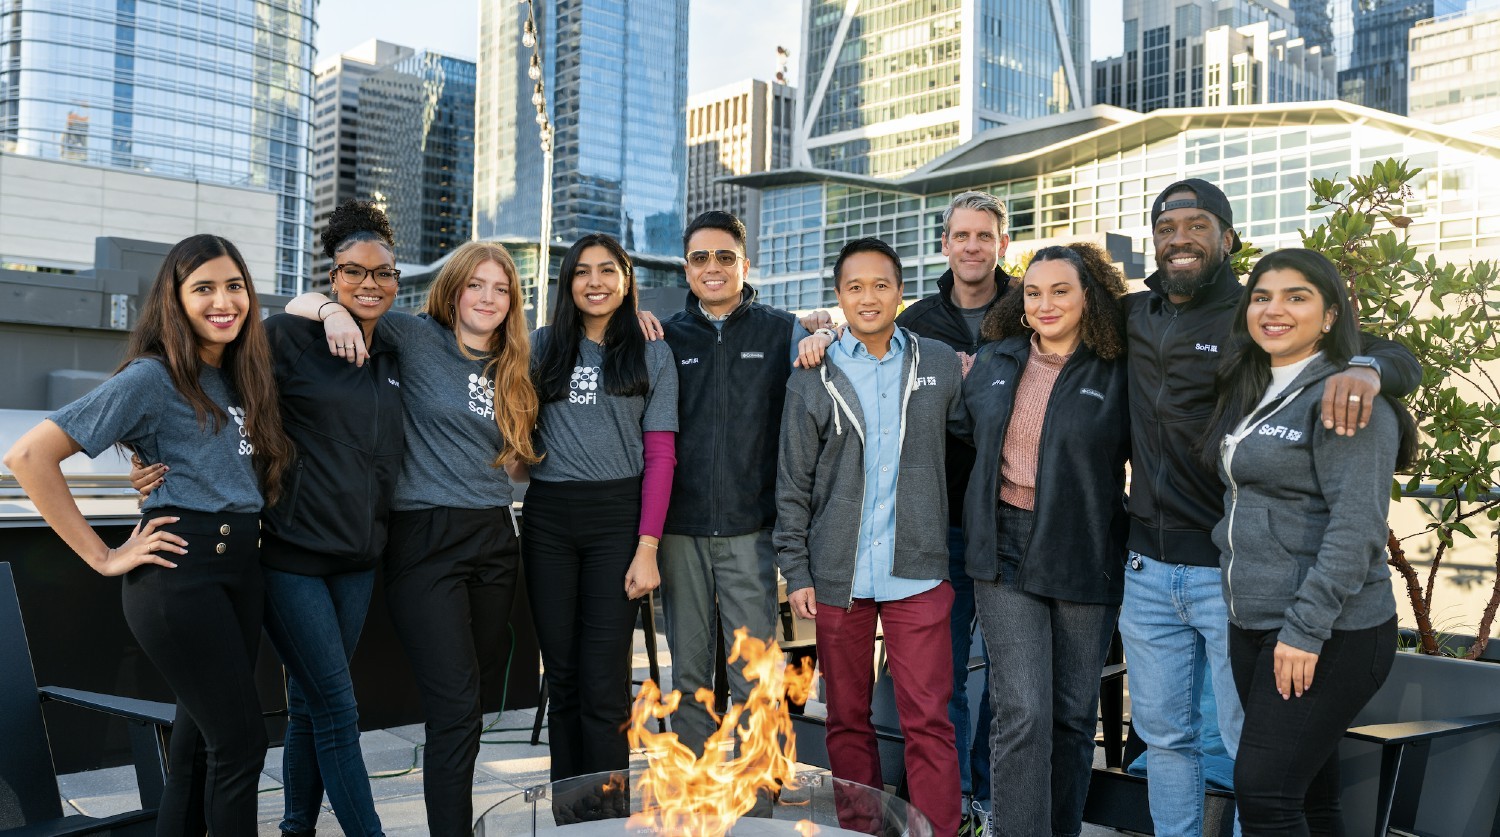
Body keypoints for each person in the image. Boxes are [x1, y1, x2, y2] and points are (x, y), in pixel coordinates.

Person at [1120, 179, 1421, 836]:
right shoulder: (1145, 320)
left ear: (1227, 238)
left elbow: (1357, 521)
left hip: (1278, 604)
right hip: (1181, 579)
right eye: (1167, 227)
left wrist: (1370, 366)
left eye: (1198, 225)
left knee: (1258, 775)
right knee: (1244, 768)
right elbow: (1050, 306)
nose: (1180, 239)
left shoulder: (1289, 357)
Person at [4, 234, 293, 837]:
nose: (224, 301)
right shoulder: (152, 378)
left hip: (240, 570)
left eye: (234, 286)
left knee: (196, 746)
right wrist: (105, 555)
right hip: (179, 575)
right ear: (175, 300)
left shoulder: (242, 376)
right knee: (240, 744)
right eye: (204, 288)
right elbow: (30, 456)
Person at [282, 240, 539, 835]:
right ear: (453, 289)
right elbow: (296, 304)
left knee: (469, 702)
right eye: (477, 284)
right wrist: (332, 311)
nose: (488, 298)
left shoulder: (516, 361)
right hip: (424, 537)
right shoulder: (415, 336)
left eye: (501, 289)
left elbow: (519, 462)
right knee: (453, 704)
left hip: (497, 537)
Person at [1203, 249, 1411, 836]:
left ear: (1329, 316)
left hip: (1327, 630)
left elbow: (1357, 529)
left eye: (1297, 297)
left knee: (1264, 794)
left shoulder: (1345, 397)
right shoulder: (1258, 385)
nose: (1275, 310)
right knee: (1310, 797)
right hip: (1256, 622)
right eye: (1263, 296)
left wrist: (1303, 629)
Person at [775, 237, 965, 837]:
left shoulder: (937, 362)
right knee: (847, 719)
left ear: (900, 292)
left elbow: (975, 433)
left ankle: (934, 830)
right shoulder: (814, 371)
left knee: (929, 720)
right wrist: (797, 570)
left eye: (881, 284)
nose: (868, 297)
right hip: (839, 573)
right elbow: (792, 481)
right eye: (854, 286)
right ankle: (862, 830)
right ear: (838, 297)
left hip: (918, 568)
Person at [957, 243, 1130, 837]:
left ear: (1090, 297)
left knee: (1072, 718)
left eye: (1061, 290)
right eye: (1033, 292)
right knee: (1023, 712)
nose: (1046, 303)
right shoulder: (995, 359)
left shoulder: (1119, 367)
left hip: (1084, 548)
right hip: (1002, 544)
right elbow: (956, 425)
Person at [657, 210, 815, 759]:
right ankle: (698, 799)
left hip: (752, 531)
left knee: (755, 679)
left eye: (725, 256)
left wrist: (828, 329)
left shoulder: (782, 330)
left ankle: (757, 803)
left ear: (745, 264)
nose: (713, 267)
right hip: (680, 531)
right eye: (700, 258)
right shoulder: (663, 337)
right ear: (687, 269)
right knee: (689, 678)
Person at [522, 233, 678, 785]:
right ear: (567, 283)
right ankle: (571, 815)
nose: (595, 281)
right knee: (562, 679)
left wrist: (648, 547)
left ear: (626, 279)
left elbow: (660, 455)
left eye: (608, 270)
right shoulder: (540, 346)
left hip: (618, 520)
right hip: (547, 520)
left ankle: (605, 817)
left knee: (605, 683)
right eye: (582, 271)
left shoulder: (651, 350)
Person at [898, 190, 1012, 830]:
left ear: (1001, 244)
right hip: (937, 524)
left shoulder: (1032, 309)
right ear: (945, 244)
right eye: (961, 236)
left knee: (1010, 676)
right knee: (941, 678)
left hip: (1013, 521)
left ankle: (995, 796)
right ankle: (958, 799)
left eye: (984, 236)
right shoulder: (916, 324)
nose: (972, 246)